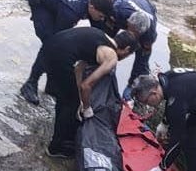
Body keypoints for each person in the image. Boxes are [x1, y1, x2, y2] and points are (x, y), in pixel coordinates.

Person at [39, 26, 137, 158]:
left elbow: (79, 69)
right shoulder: (111, 57)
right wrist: (86, 107)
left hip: (49, 47)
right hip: (60, 57)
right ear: (127, 49)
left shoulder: (100, 36)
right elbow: (87, 85)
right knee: (70, 104)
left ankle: (61, 139)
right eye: (128, 55)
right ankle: (56, 148)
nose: (125, 57)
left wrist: (78, 96)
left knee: (66, 99)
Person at [20, 0, 114, 105]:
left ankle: (51, 85)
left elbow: (98, 32)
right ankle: (31, 83)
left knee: (58, 47)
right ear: (91, 7)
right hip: (42, 2)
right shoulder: (70, 11)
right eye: (101, 16)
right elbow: (57, 44)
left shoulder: (95, 0)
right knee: (51, 44)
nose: (101, 19)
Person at [91, 0, 158, 88]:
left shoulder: (149, 35)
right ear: (128, 23)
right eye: (131, 30)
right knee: (104, 41)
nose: (130, 35)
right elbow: (100, 35)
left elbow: (142, 63)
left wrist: (133, 86)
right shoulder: (117, 12)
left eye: (135, 34)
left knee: (142, 61)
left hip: (147, 6)